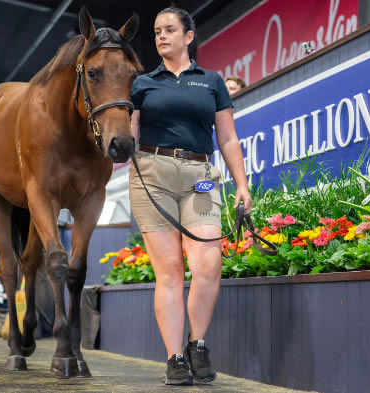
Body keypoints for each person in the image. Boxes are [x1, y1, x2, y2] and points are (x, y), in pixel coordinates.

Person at [129, 7, 252, 386]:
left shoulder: (211, 81)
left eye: (170, 29)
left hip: (201, 174)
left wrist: (242, 184)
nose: (162, 36)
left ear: (188, 36)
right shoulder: (141, 84)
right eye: (156, 31)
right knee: (169, 272)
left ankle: (198, 344)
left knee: (208, 264)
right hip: (152, 173)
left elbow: (228, 138)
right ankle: (175, 358)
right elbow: (128, 137)